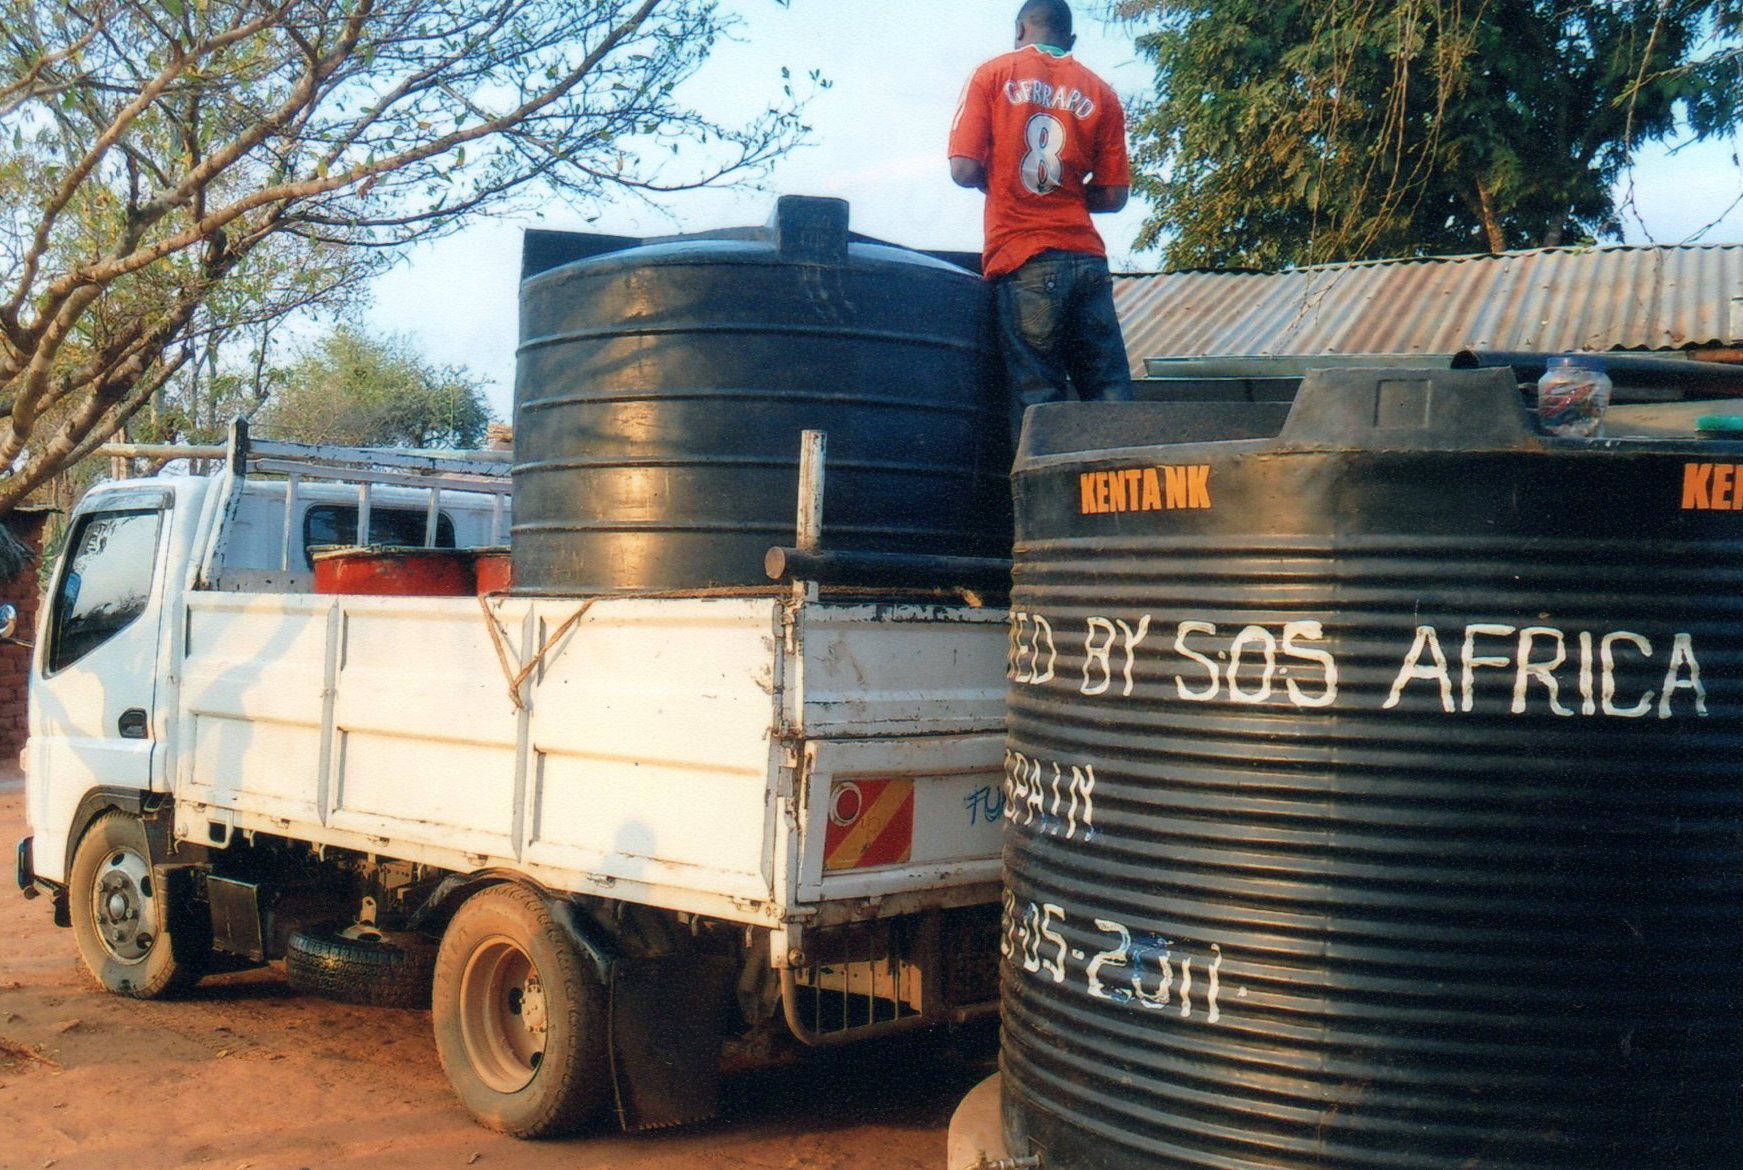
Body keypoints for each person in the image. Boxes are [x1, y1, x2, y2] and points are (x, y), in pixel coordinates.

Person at [948, 0, 1134, 447]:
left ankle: (1044, 513)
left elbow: (963, 169)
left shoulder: (992, 75)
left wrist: (1003, 180)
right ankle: (1128, 506)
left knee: (1040, 400)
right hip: (1088, 261)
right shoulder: (1101, 93)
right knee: (1110, 393)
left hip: (1024, 258)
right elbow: (1113, 195)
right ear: (1070, 40)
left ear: (1019, 30)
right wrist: (1069, 194)